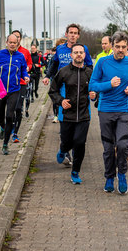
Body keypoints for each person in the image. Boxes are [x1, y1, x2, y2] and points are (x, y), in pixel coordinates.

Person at [88, 31, 128, 194]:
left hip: (124, 110)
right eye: (117, 46)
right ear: (112, 46)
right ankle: (109, 177)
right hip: (106, 110)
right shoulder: (102, 62)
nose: (120, 50)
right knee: (109, 148)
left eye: (124, 47)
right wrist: (109, 84)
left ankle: (122, 175)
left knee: (123, 146)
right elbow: (92, 85)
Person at [49, 44, 93, 184]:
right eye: (76, 52)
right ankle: (62, 150)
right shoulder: (63, 72)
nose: (79, 54)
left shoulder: (90, 73)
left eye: (81, 52)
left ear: (84, 55)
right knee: (67, 142)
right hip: (67, 115)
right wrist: (61, 101)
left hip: (84, 115)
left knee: (80, 143)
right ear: (71, 55)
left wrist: (94, 95)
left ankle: (75, 172)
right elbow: (53, 90)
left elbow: (96, 90)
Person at [43, 25, 93, 124]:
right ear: (66, 34)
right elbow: (54, 64)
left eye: (75, 33)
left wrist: (89, 79)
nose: (73, 35)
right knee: (64, 105)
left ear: (78, 35)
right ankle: (64, 126)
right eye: (71, 33)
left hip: (79, 81)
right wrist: (47, 76)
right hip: (64, 83)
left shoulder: (83, 49)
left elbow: (90, 65)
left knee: (80, 104)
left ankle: (81, 124)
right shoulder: (60, 49)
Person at [0, 34, 29, 155]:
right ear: (6, 42)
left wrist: (26, 76)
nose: (12, 44)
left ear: (18, 44)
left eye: (15, 43)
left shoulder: (20, 56)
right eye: (10, 42)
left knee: (9, 116)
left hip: (14, 90)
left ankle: (5, 144)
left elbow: (24, 69)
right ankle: (2, 127)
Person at [10, 30, 32, 143]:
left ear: (20, 39)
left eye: (18, 37)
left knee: (18, 108)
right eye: (14, 37)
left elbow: (29, 63)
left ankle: (15, 132)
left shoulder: (25, 52)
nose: (16, 39)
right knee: (10, 110)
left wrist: (27, 69)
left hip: (22, 83)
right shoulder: (4, 53)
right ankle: (8, 126)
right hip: (9, 85)